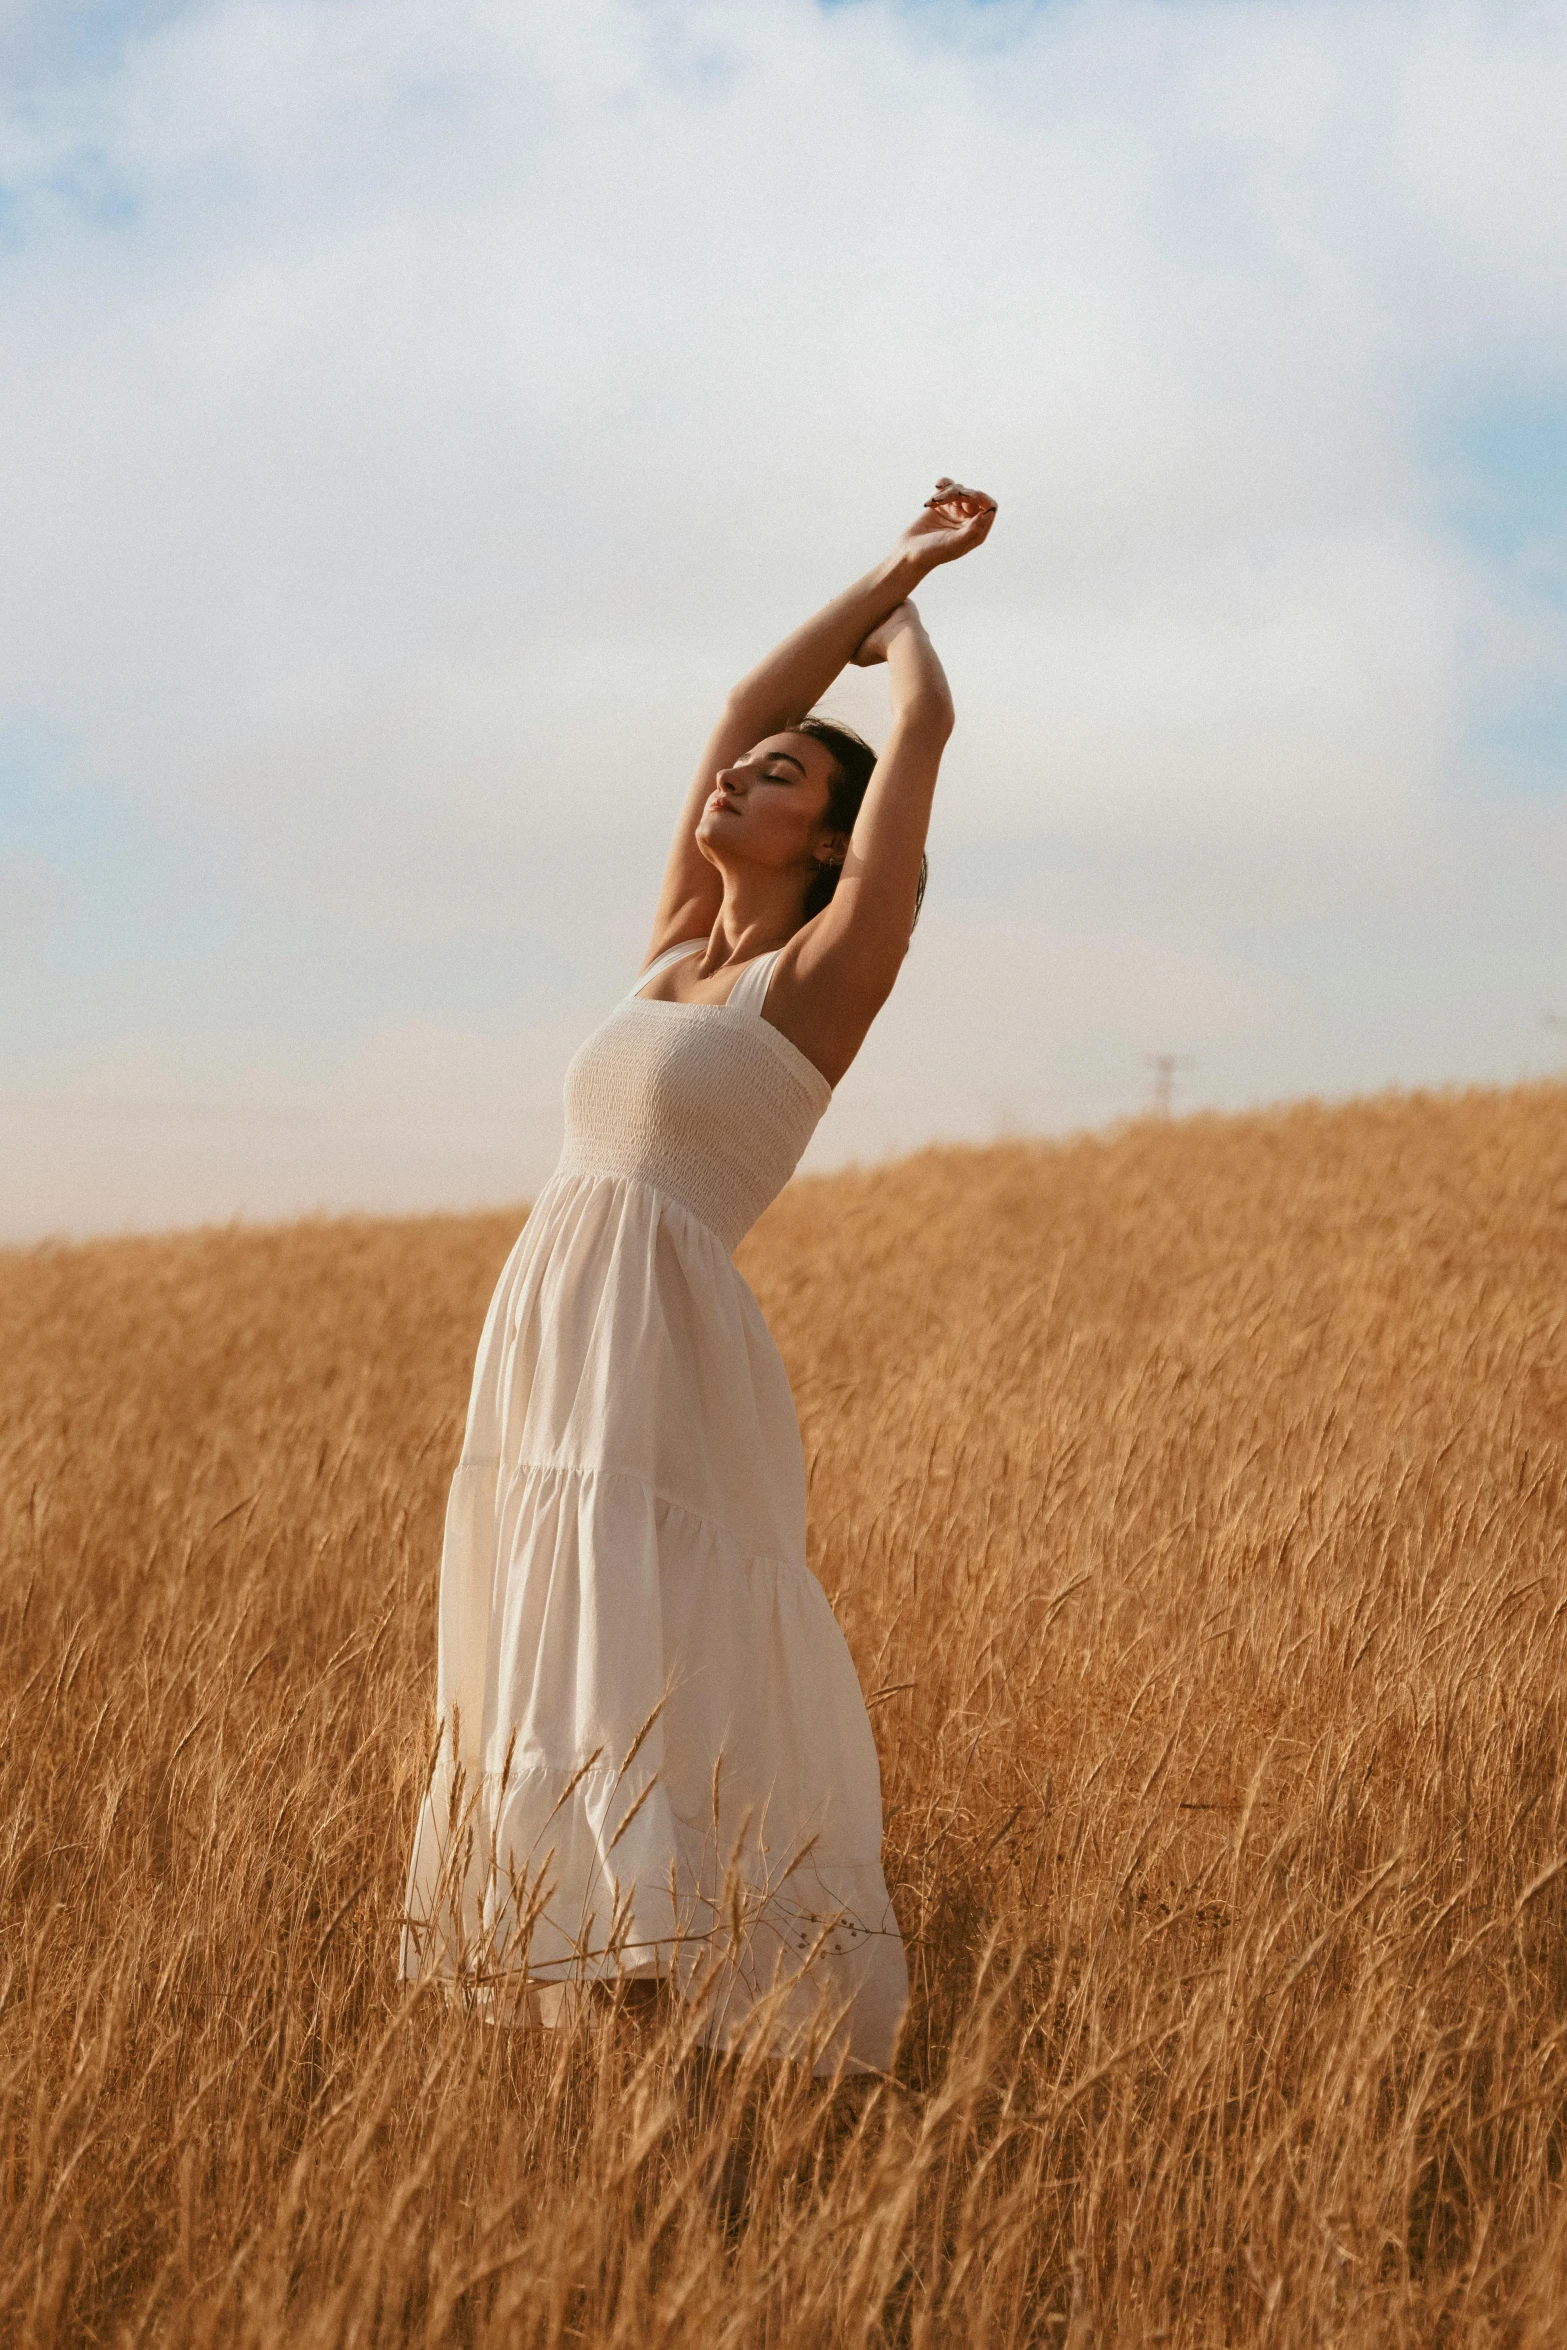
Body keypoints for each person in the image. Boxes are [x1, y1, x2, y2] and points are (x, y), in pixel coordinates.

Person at [400, 479, 998, 2073]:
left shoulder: (819, 976)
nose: (739, 770)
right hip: (550, 1324)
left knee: (645, 1649)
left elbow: (917, 743)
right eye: (744, 769)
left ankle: (675, 2003)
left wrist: (916, 605)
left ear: (827, 835)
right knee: (554, 1630)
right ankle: (596, 2020)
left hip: (660, 1345)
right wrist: (867, 571)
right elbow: (744, 696)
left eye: (782, 776)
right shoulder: (676, 948)